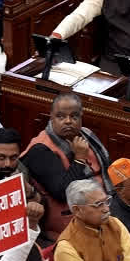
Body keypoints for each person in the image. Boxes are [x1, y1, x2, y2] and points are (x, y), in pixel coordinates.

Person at [22, 94, 112, 238]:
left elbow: (107, 169)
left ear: (81, 117)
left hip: (103, 203)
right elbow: (62, 192)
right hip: (68, 220)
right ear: (51, 117)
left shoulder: (86, 134)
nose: (68, 121)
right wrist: (79, 159)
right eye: (61, 116)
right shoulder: (40, 149)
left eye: (74, 116)